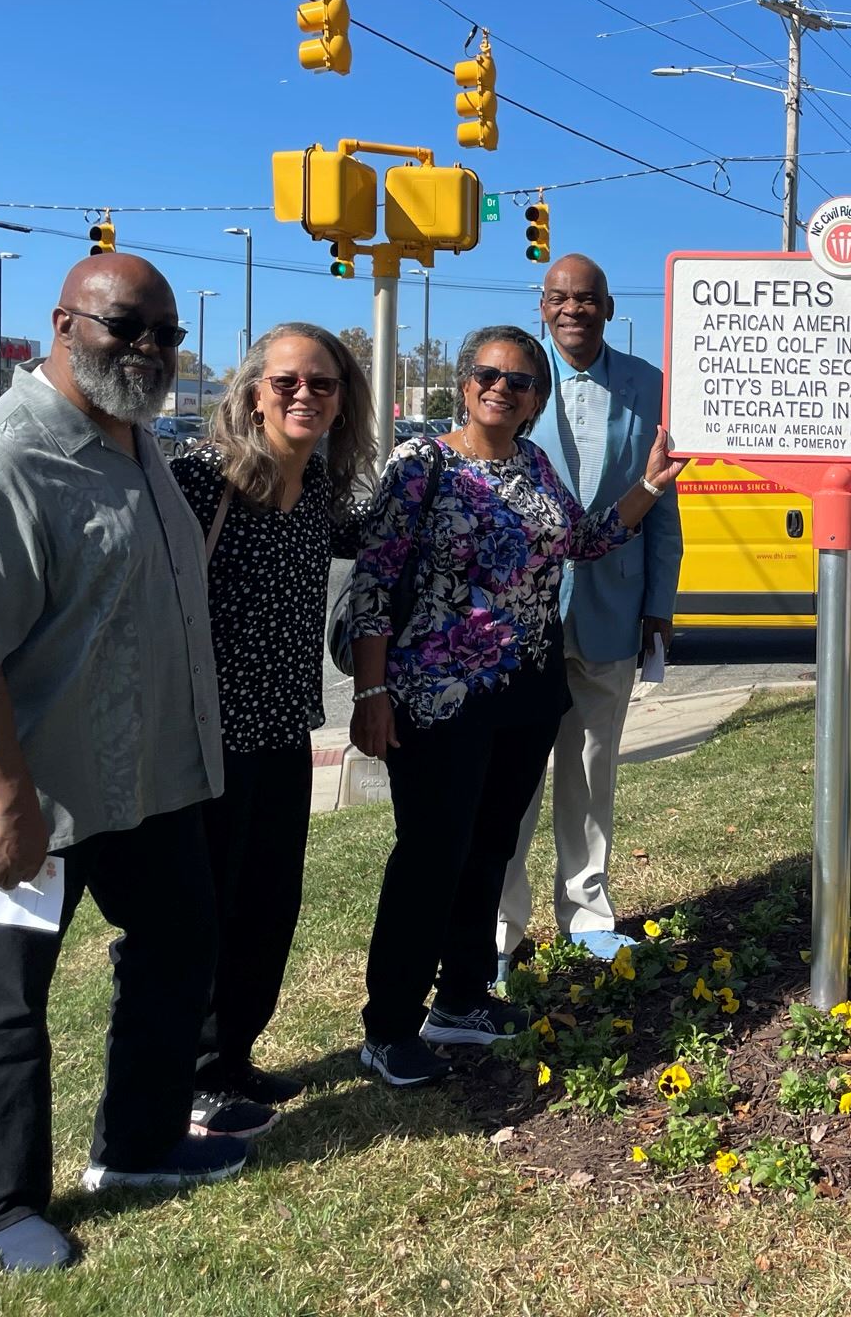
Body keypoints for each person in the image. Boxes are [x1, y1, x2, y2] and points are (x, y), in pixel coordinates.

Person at [0, 255, 243, 1275]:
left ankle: (136, 1145)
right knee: (8, 999)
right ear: (62, 323)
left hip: (140, 782)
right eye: (122, 326)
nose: (146, 349)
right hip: (29, 801)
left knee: (183, 939)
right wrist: (5, 805)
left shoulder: (133, 441)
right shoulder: (0, 460)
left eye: (164, 333)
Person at [348, 325, 684, 1088]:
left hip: (526, 694)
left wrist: (651, 485)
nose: (502, 387)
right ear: (463, 384)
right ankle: (389, 1026)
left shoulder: (533, 465)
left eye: (520, 381)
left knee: (489, 848)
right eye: (487, 374)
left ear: (537, 400)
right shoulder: (420, 465)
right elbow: (373, 581)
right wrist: (371, 693)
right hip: (438, 698)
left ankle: (461, 999)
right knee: (429, 858)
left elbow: (586, 542)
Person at [170, 323, 374, 1124]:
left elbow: (392, 539)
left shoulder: (319, 491)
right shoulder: (201, 481)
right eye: (287, 381)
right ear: (253, 390)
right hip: (206, 741)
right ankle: (189, 1077)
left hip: (286, 731)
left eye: (323, 384)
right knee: (205, 914)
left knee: (267, 905)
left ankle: (234, 1057)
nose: (304, 395)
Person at [496, 253, 682, 972]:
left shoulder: (648, 385)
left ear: (608, 307)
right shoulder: (510, 378)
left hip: (613, 605)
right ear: (543, 307)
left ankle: (587, 912)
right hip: (520, 617)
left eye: (586, 299)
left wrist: (658, 605)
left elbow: (662, 506)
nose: (572, 308)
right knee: (512, 780)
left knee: (591, 768)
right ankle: (501, 931)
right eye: (559, 298)